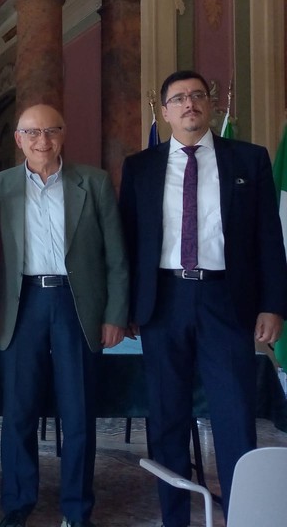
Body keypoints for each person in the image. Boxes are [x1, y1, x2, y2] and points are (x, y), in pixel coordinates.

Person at [120, 70, 287, 527]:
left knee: (235, 414)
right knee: (167, 415)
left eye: (197, 96)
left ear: (210, 105)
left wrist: (273, 304)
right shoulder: (140, 167)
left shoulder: (249, 160)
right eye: (178, 99)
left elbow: (269, 239)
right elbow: (128, 242)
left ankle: (242, 514)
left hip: (226, 299)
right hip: (163, 300)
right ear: (164, 111)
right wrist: (128, 307)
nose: (189, 104)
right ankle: (174, 517)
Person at [0, 104, 129, 527]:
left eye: (50, 131)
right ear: (18, 139)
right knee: (18, 413)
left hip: (76, 305)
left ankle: (77, 510)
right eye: (32, 132)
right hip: (21, 305)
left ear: (63, 135)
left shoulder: (94, 183)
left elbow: (116, 255)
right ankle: (17, 505)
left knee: (78, 413)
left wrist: (115, 314)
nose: (42, 141)